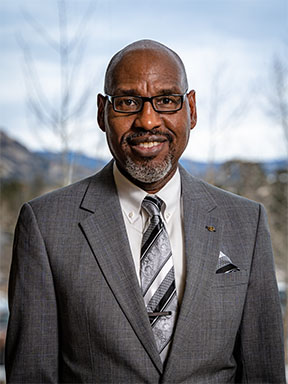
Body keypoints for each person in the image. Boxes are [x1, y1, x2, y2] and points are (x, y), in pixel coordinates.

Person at [5, 39, 286, 383]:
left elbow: (265, 373)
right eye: (127, 102)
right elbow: (32, 373)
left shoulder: (247, 222)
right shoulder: (46, 224)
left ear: (191, 109)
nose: (148, 121)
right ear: (101, 112)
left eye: (166, 100)